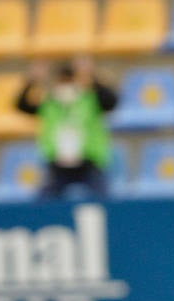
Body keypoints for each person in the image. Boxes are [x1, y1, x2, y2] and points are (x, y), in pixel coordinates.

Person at [14, 55, 119, 200]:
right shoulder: (49, 104)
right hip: (58, 165)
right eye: (62, 81)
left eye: (69, 81)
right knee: (43, 201)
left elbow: (112, 101)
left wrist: (90, 75)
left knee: (104, 199)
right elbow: (21, 105)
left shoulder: (90, 100)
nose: (65, 86)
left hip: (89, 163)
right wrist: (33, 81)